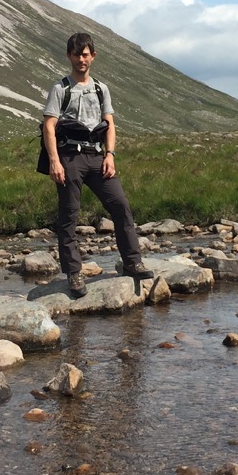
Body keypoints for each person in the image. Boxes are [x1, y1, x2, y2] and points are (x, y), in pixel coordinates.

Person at [42, 32, 151, 297]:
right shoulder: (61, 89)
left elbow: (110, 123)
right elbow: (49, 125)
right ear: (69, 56)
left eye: (86, 53)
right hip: (69, 157)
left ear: (93, 56)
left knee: (120, 205)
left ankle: (132, 262)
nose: (82, 58)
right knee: (69, 214)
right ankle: (74, 274)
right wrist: (54, 161)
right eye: (77, 54)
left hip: (97, 156)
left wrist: (110, 155)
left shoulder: (102, 89)